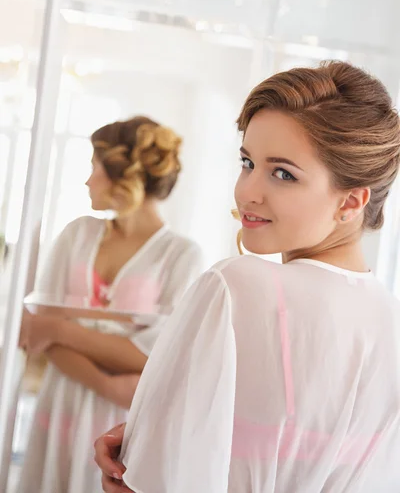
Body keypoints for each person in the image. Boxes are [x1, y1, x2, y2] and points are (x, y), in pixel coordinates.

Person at [95, 62, 400, 493]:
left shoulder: (235, 287)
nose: (247, 192)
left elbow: (146, 481)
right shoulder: (388, 316)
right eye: (247, 162)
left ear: (351, 202)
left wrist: (142, 453)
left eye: (283, 173)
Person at [17, 116, 204, 493]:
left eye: (93, 167)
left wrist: (61, 329)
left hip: (122, 426)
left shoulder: (182, 255)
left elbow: (158, 356)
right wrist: (105, 380)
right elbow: (35, 330)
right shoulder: (76, 234)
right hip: (57, 409)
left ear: (122, 176)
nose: (87, 180)